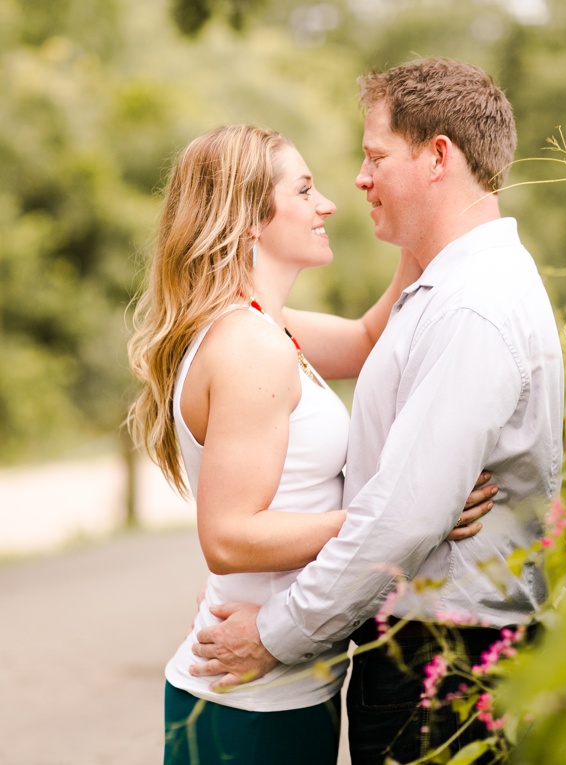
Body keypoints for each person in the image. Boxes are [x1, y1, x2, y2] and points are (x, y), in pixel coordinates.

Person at [190, 58, 565, 763]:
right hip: (423, 657)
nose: (355, 182)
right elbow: (367, 347)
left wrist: (273, 633)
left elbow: (406, 517)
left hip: (445, 665)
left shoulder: (471, 307)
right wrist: (417, 242)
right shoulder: (448, 289)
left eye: (373, 157)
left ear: (438, 157)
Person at [127, 124, 496, 765]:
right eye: (304, 190)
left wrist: (425, 227)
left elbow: (362, 338)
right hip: (249, 707)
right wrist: (400, 518)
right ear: (248, 219)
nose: (326, 203)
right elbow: (228, 538)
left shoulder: (266, 325)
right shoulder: (249, 348)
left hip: (285, 688)